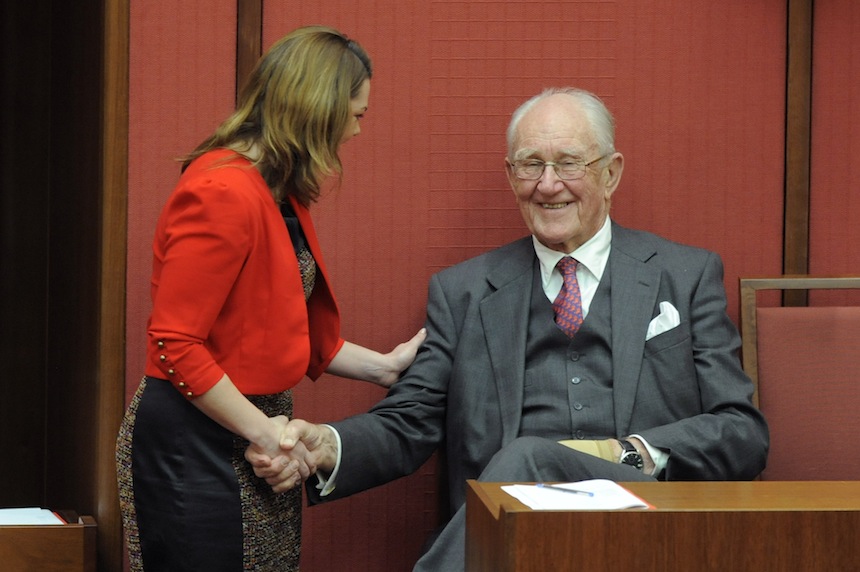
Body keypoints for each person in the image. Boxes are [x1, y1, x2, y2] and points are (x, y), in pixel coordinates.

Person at [250, 87, 769, 571]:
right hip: (511, 545)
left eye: (568, 163)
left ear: (611, 174)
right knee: (521, 460)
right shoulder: (464, 293)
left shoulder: (684, 275)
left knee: (527, 452)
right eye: (530, 165)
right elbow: (408, 423)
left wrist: (626, 452)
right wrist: (327, 445)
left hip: (646, 532)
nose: (547, 184)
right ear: (510, 175)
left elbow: (742, 433)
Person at [116, 25, 425, 572]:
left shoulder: (274, 190)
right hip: (194, 445)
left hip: (257, 437)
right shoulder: (222, 191)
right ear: (317, 110)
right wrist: (269, 436)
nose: (356, 131)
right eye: (355, 114)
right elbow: (174, 344)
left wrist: (383, 368)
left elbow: (279, 328)